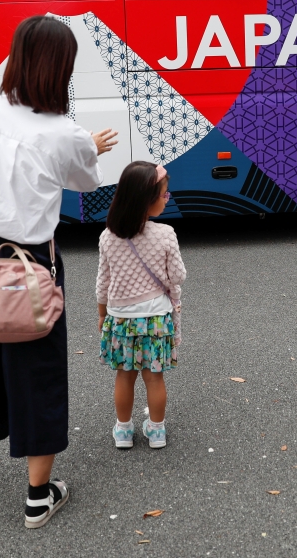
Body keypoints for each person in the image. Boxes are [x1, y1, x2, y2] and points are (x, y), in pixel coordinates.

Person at [0, 15, 118, 528]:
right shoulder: (65, 133)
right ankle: (39, 495)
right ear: (62, 70)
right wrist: (92, 148)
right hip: (31, 266)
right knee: (36, 373)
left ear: (15, 58)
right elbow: (85, 180)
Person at [96, 161, 186, 451]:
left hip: (121, 319)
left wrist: (101, 314)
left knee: (125, 375)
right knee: (154, 376)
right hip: (156, 319)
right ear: (147, 200)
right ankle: (156, 431)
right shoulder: (165, 233)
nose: (166, 198)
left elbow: (103, 281)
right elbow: (179, 275)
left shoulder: (108, 236)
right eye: (164, 194)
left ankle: (123, 431)